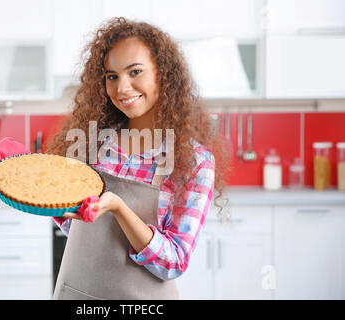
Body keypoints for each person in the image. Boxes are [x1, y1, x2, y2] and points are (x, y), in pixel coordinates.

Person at [47, 17, 230, 300]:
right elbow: (79, 229)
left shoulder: (194, 163)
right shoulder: (93, 143)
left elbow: (174, 261)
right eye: (112, 76)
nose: (122, 88)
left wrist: (120, 208)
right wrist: (41, 196)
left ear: (163, 74)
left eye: (135, 72)